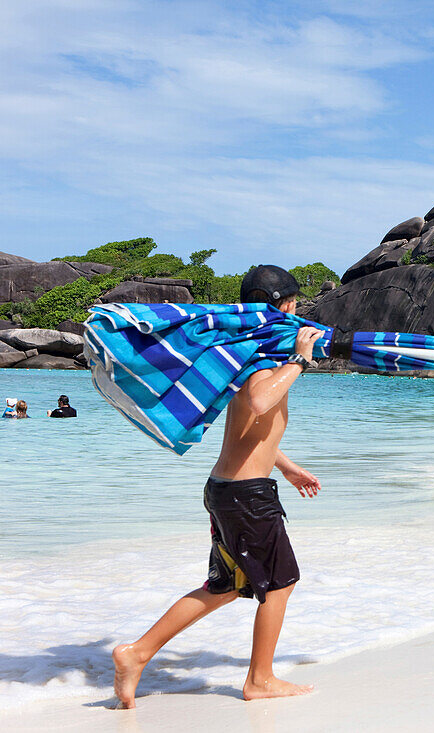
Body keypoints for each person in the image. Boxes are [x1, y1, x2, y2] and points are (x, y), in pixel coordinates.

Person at [112, 265, 323, 709]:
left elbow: (251, 431)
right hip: (246, 496)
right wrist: (300, 359)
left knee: (224, 586)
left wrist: (285, 466)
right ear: (285, 305)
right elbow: (261, 402)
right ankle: (259, 679)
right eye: (295, 304)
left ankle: (137, 654)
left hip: (230, 489)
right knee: (280, 583)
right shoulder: (267, 363)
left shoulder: (250, 356)